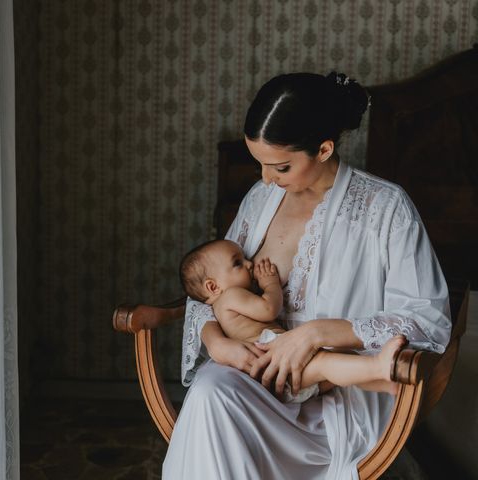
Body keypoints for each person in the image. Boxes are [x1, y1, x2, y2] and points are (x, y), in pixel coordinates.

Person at [162, 72, 451, 479]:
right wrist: (217, 344)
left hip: (336, 398)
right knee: (210, 391)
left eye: (279, 166)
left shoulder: (386, 208)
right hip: (256, 384)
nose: (265, 179)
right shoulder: (261, 198)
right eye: (259, 163)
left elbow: (427, 322)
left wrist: (316, 333)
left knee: (214, 400)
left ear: (323, 148)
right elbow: (210, 291)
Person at [179, 238, 407, 403]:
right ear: (213, 286)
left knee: (335, 366)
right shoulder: (230, 296)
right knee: (328, 363)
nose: (249, 264)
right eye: (237, 263)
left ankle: (386, 384)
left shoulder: (218, 307)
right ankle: (379, 366)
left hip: (272, 373)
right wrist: (270, 284)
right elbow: (269, 309)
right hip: (276, 364)